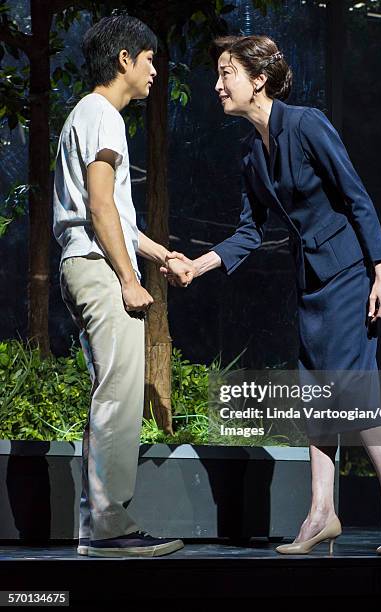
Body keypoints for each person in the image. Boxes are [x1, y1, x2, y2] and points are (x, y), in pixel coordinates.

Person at [161, 35, 381, 555]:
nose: (217, 84)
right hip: (311, 282)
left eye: (226, 73)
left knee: (349, 389)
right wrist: (199, 264)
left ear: (257, 79)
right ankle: (322, 512)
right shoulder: (251, 154)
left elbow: (355, 196)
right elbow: (249, 232)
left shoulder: (306, 124)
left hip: (350, 273)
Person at [53, 15, 193, 558]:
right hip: (99, 268)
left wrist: (160, 254)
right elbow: (100, 204)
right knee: (117, 395)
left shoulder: (87, 116)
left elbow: (114, 214)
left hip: (86, 262)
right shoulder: (104, 115)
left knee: (111, 391)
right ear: (124, 60)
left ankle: (103, 524)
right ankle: (109, 528)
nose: (156, 69)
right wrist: (132, 281)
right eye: (150, 58)